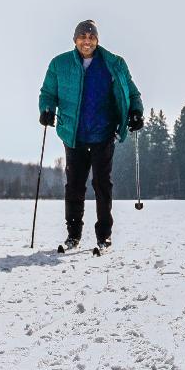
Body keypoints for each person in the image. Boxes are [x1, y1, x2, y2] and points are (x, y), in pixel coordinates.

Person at [38, 20, 144, 252]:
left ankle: (103, 236)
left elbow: (132, 92)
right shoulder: (59, 64)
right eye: (82, 37)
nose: (87, 41)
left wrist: (136, 112)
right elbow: (48, 92)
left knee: (101, 184)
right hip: (74, 134)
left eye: (91, 37)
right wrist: (46, 109)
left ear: (97, 40)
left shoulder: (114, 64)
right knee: (74, 186)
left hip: (103, 133)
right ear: (75, 39)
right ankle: (73, 236)